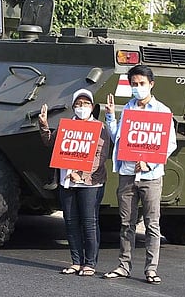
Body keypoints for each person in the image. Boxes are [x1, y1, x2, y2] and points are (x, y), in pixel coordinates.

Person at [103, 64, 177, 285]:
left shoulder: (163, 111)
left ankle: (151, 269)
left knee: (152, 224)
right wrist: (110, 118)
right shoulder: (127, 109)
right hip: (127, 174)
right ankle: (123, 266)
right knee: (127, 223)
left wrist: (150, 163)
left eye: (141, 84)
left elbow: (169, 143)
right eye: (134, 84)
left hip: (151, 176)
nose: (138, 88)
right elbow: (119, 138)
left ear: (151, 84)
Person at [39, 88, 110, 277]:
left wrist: (82, 174)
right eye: (78, 104)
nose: (82, 107)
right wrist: (44, 125)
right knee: (70, 222)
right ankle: (76, 261)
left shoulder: (100, 127)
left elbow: (101, 155)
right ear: (73, 107)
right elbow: (50, 143)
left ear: (92, 106)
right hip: (67, 182)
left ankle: (90, 263)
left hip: (90, 183)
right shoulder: (66, 126)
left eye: (86, 104)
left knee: (89, 222)